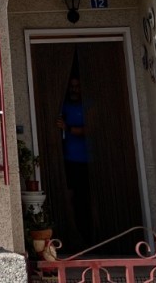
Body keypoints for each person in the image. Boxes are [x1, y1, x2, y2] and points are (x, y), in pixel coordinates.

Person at [56, 76, 95, 246]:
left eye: (77, 86)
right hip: (68, 159)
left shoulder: (88, 105)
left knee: (86, 198)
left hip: (87, 160)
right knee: (70, 197)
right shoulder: (63, 106)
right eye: (71, 86)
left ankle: (90, 235)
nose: (74, 90)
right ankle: (73, 235)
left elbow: (91, 128)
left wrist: (68, 128)